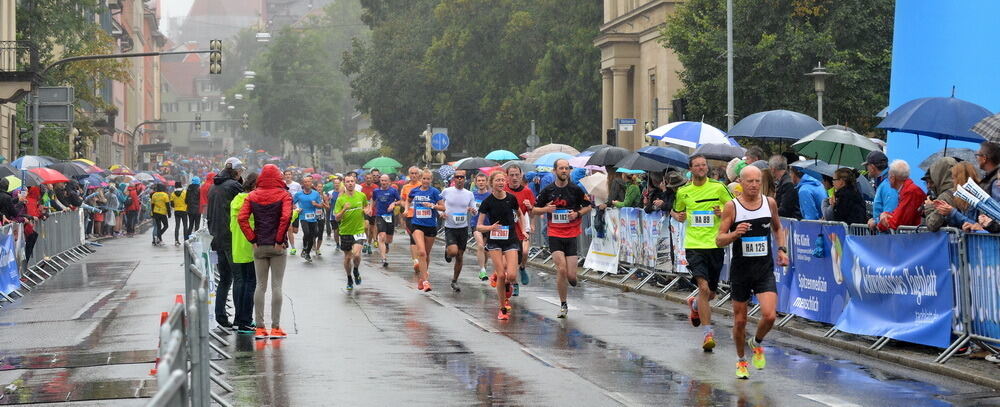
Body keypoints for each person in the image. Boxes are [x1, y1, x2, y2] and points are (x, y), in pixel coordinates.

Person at [715, 165, 789, 379]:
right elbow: (719, 239)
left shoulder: (769, 203)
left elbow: (778, 228)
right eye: (750, 181)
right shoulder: (732, 207)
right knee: (740, 321)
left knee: (770, 315)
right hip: (741, 271)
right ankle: (741, 360)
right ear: (741, 182)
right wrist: (734, 234)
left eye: (758, 181)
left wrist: (782, 249)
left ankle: (756, 342)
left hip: (764, 270)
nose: (755, 185)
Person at [671, 154, 733, 352]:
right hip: (694, 245)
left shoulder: (718, 187)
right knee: (704, 289)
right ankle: (708, 334)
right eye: (697, 165)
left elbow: (734, 208)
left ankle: (696, 305)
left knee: (711, 293)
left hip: (715, 245)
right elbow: (675, 211)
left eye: (703, 165)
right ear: (690, 169)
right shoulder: (683, 191)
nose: (701, 168)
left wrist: (722, 212)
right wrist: (678, 216)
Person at [532, 159, 592, 318]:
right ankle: (563, 304)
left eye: (566, 168)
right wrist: (546, 209)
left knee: (571, 276)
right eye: (561, 168)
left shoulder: (575, 189)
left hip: (571, 234)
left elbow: (588, 206)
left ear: (569, 171)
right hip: (555, 234)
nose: (564, 171)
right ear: (555, 171)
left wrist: (577, 214)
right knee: (561, 269)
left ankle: (572, 279)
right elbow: (534, 210)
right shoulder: (548, 191)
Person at [238, 164, 292, 340]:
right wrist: (279, 239)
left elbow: (242, 218)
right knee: (277, 286)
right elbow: (286, 217)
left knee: (260, 286)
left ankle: (260, 328)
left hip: (259, 244)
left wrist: (252, 239)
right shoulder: (284, 195)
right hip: (278, 246)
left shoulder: (252, 195)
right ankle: (275, 328)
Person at [477, 171, 521, 320]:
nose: (501, 183)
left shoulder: (511, 198)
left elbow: (520, 214)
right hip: (495, 240)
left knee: (512, 275)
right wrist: (490, 228)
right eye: (497, 180)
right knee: (502, 275)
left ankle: (502, 281)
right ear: (492, 183)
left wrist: (524, 230)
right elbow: (479, 226)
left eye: (503, 180)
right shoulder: (487, 202)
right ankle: (502, 308)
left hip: (511, 239)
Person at [208, 158, 245, 329]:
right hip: (231, 237)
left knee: (224, 279)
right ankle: (240, 318)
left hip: (215, 238)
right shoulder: (233, 186)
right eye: (241, 171)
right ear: (236, 171)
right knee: (238, 277)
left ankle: (220, 316)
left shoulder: (213, 186)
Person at [230, 173, 258, 335]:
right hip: (250, 246)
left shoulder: (236, 200)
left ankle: (238, 320)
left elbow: (232, 225)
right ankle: (245, 322)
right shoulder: (252, 201)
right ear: (254, 186)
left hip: (237, 246)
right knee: (250, 284)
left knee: (241, 283)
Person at [407, 169, 444, 292]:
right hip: (417, 224)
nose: (426, 181)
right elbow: (408, 200)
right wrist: (407, 209)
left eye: (428, 179)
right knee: (422, 252)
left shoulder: (434, 192)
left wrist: (432, 206)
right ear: (420, 179)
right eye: (424, 178)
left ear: (431, 180)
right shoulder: (414, 191)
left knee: (426, 254)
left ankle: (422, 278)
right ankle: (426, 281)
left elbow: (443, 207)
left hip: (430, 226)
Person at [441, 169, 476, 292]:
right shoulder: (446, 191)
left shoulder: (469, 194)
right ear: (453, 179)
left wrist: (473, 210)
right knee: (453, 252)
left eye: (462, 177)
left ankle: (455, 280)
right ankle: (448, 251)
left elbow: (474, 209)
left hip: (463, 228)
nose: (460, 179)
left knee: (460, 256)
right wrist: (441, 213)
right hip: (450, 226)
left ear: (465, 179)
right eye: (457, 177)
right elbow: (438, 203)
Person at [504, 165, 536, 296]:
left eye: (517, 175)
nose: (514, 178)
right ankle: (514, 283)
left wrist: (530, 209)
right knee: (510, 262)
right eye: (511, 175)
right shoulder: (503, 189)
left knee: (524, 252)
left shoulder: (527, 191)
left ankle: (522, 267)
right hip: (507, 229)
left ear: (521, 175)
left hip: (522, 226)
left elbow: (532, 213)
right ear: (507, 177)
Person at [334, 172, 369, 291]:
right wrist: (344, 209)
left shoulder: (361, 195)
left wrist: (366, 210)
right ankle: (349, 278)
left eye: (352, 181)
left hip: (358, 230)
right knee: (348, 258)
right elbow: (337, 218)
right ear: (344, 184)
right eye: (347, 182)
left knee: (357, 254)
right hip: (345, 231)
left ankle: (356, 270)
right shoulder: (341, 199)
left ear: (355, 182)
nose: (350, 183)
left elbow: (366, 206)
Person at [877, 160, 927, 231]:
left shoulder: (910, 192)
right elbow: (898, 216)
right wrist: (885, 215)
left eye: (889, 176)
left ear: (893, 178)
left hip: (916, 235)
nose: (888, 179)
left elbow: (898, 222)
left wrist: (881, 223)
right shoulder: (908, 190)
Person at [934, 162, 982, 231]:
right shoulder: (963, 196)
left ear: (960, 178)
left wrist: (952, 212)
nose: (953, 182)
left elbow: (976, 225)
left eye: (954, 178)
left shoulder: (977, 196)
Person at [370, 174, 401, 267]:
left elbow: (400, 201)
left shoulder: (393, 190)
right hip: (380, 215)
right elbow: (373, 200)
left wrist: (393, 204)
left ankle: (387, 244)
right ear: (380, 181)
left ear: (389, 182)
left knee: (389, 239)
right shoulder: (376, 191)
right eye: (382, 181)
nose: (383, 182)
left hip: (390, 216)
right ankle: (384, 259)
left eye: (385, 181)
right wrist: (370, 208)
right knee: (382, 236)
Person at [921, 157, 959, 231]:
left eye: (932, 181)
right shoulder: (961, 190)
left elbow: (932, 224)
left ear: (938, 176)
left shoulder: (945, 196)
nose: (928, 186)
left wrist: (929, 207)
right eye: (926, 183)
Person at [293, 177, 325, 262]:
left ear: (311, 183)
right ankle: (304, 248)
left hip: (313, 217)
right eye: (305, 182)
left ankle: (307, 253)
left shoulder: (316, 194)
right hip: (303, 216)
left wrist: (316, 204)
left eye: (309, 182)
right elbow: (291, 203)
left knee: (313, 234)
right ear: (303, 184)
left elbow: (321, 205)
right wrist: (296, 208)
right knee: (306, 233)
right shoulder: (298, 194)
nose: (307, 183)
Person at [865, 151, 899, 230]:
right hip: (886, 232)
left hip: (888, 234)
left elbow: (890, 213)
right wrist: (875, 219)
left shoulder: (887, 183)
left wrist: (875, 221)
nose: (867, 169)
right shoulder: (884, 181)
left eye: (867, 166)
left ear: (872, 167)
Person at [400, 166, 422, 272]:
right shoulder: (406, 187)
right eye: (412, 173)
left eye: (415, 173)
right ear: (409, 175)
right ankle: (416, 261)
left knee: (421, 239)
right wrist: (406, 207)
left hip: (421, 216)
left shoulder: (422, 185)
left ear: (419, 175)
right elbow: (402, 200)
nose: (414, 175)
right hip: (410, 216)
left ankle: (421, 259)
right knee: (413, 238)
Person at [470, 173, 492, 281]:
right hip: (476, 224)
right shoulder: (472, 195)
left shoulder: (491, 196)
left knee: (486, 251)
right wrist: (470, 209)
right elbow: (467, 206)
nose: (481, 182)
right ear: (475, 182)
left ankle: (484, 265)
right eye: (479, 181)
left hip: (488, 225)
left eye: (483, 180)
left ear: (487, 182)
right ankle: (482, 270)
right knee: (480, 245)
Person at [361, 171, 379, 254]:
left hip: (373, 209)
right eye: (367, 178)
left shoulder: (376, 187)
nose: (368, 179)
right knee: (366, 226)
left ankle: (368, 244)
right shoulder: (361, 186)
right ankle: (365, 242)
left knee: (372, 228)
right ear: (365, 178)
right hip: (364, 209)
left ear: (372, 179)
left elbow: (377, 199)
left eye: (370, 178)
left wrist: (371, 206)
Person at [284, 170, 302, 255]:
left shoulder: (296, 185)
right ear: (284, 176)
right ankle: (293, 248)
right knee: (289, 228)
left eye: (289, 174)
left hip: (296, 209)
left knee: (295, 230)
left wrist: (300, 206)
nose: (288, 176)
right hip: (286, 209)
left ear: (292, 175)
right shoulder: (282, 184)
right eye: (286, 174)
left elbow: (300, 196)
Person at [170, 181, 188, 245]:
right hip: (184, 210)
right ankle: (186, 240)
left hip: (177, 211)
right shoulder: (185, 192)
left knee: (177, 226)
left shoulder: (172, 194)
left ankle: (176, 240)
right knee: (185, 226)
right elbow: (187, 201)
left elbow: (172, 205)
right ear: (181, 185)